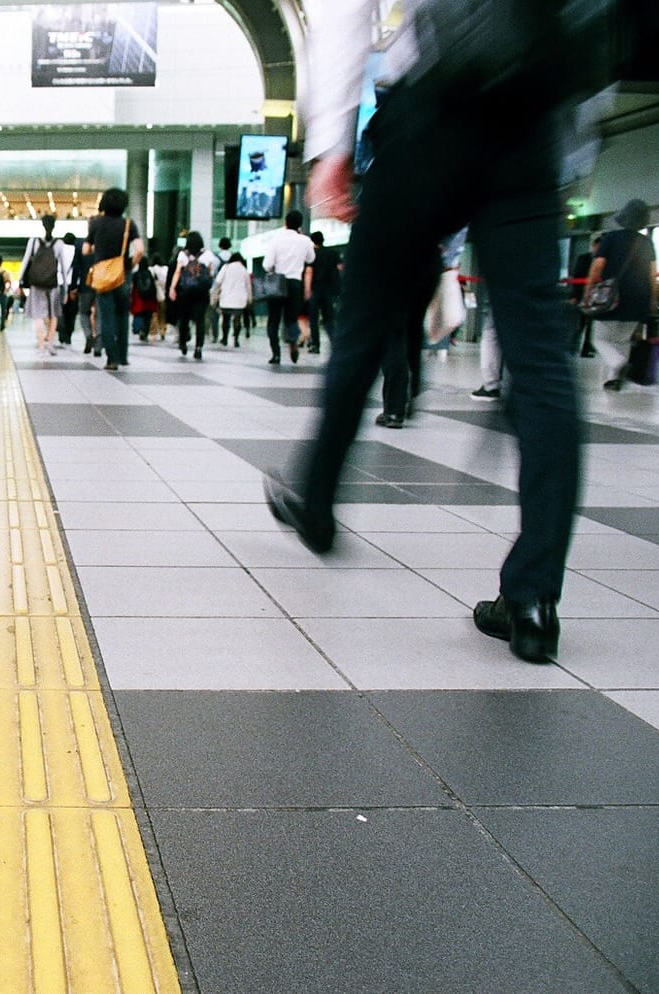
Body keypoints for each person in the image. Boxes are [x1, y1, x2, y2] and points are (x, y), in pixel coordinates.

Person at [267, 0, 600, 665]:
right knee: (538, 359)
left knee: (362, 325)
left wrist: (331, 143)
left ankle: (315, 497)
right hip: (530, 120)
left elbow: (345, 12)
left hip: (433, 111)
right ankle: (533, 598)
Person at [584, 199, 658, 392]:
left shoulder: (611, 238)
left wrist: (588, 291)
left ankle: (617, 364)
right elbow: (653, 275)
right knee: (622, 340)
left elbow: (597, 267)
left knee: (598, 339)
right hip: (639, 298)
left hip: (613, 296)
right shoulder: (647, 242)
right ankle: (614, 380)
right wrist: (653, 300)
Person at [83, 187, 144, 371]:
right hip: (123, 274)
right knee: (122, 315)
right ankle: (123, 356)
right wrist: (130, 265)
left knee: (106, 316)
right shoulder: (128, 224)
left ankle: (111, 359)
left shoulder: (96, 224)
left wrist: (98, 250)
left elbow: (85, 250)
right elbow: (140, 249)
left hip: (103, 276)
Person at [262, 210, 315, 364]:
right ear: (300, 224)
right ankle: (292, 342)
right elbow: (311, 258)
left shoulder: (276, 240)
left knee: (273, 319)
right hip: (294, 282)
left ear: (285, 222)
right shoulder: (305, 240)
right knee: (291, 318)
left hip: (277, 282)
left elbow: (266, 265)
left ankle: (276, 354)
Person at [20, 214, 69, 354]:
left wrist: (20, 280)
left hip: (36, 283)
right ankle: (51, 344)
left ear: (42, 225)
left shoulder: (34, 241)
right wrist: (65, 286)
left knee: (38, 315)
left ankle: (41, 346)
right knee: (53, 314)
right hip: (53, 284)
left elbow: (25, 261)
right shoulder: (58, 244)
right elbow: (63, 268)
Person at [168, 231, 213, 359]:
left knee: (184, 318)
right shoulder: (208, 255)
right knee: (200, 320)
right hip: (202, 292)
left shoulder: (183, 254)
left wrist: (172, 288)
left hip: (186, 292)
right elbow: (210, 273)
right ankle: (198, 347)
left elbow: (177, 272)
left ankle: (183, 343)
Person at [307, 231, 342, 353]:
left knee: (313, 319)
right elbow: (340, 268)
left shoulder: (312, 254)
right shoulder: (332, 253)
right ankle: (334, 343)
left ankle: (315, 345)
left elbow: (309, 272)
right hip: (329, 290)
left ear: (313, 241)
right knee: (329, 319)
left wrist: (307, 290)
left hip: (315, 289)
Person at [569, 234, 600, 357]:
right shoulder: (584, 259)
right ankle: (571, 347)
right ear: (593, 246)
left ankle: (585, 350)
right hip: (582, 295)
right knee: (578, 324)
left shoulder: (602, 261)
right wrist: (575, 296)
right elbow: (577, 276)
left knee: (591, 326)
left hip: (596, 297)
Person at [214, 252, 252, 346]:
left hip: (226, 298)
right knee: (237, 319)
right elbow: (248, 286)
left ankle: (225, 338)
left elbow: (218, 281)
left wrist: (215, 292)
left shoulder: (226, 267)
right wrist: (249, 298)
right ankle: (236, 339)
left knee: (225, 319)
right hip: (240, 299)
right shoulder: (244, 269)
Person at [130, 256, 160, 342]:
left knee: (138, 314)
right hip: (149, 300)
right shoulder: (150, 273)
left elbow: (133, 287)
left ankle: (139, 329)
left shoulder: (135, 274)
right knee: (148, 316)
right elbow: (154, 287)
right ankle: (145, 331)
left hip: (139, 299)